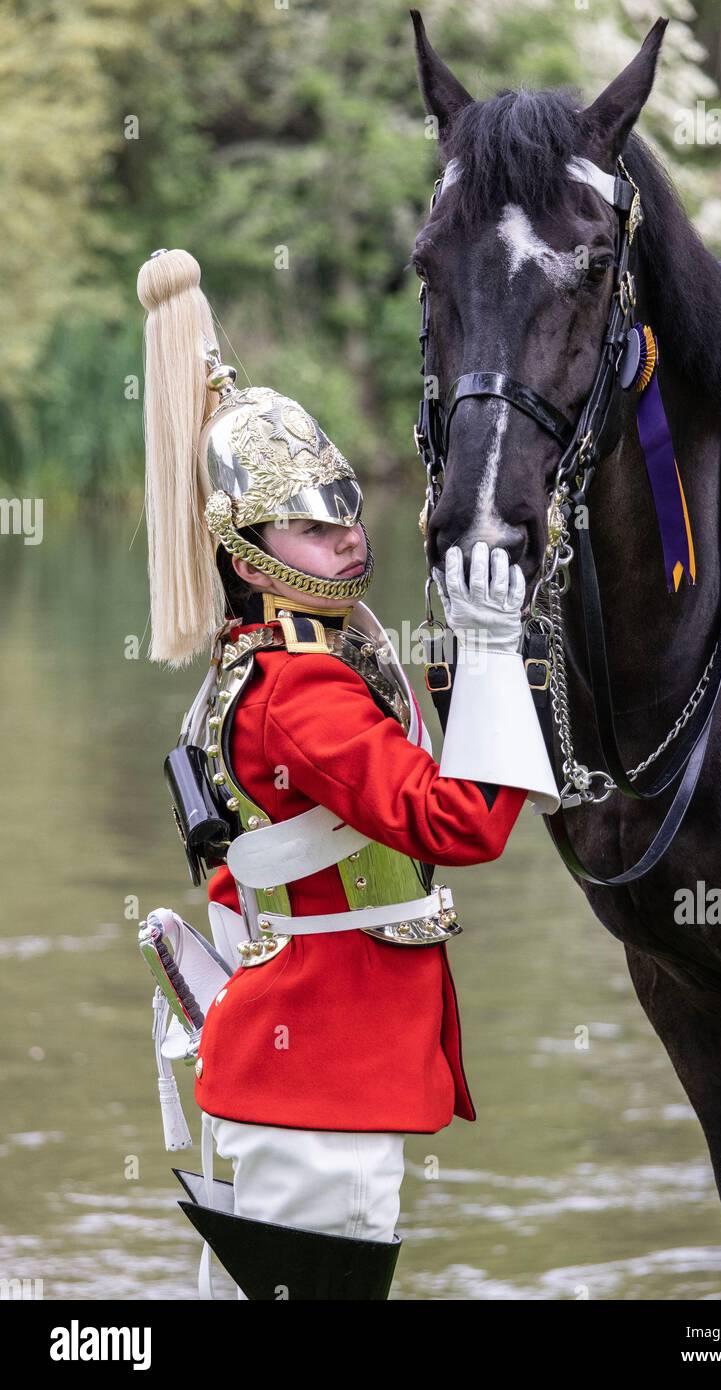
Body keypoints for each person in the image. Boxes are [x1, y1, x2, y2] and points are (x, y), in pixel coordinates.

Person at [135, 246, 560, 1301]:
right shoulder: (301, 692)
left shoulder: (282, 665)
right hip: (322, 1080)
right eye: (309, 528)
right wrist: (501, 656)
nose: (344, 540)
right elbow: (460, 826)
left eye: (344, 515)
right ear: (246, 553)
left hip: (288, 1061)